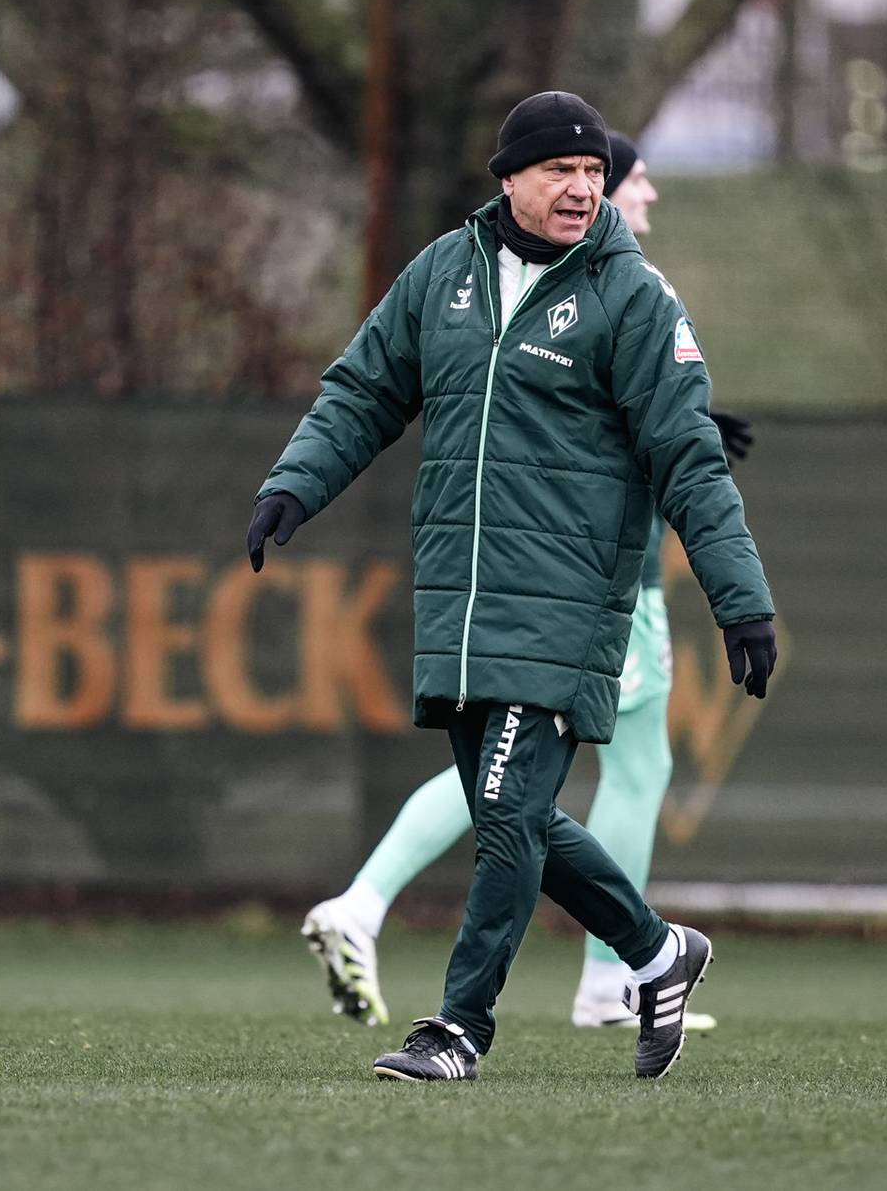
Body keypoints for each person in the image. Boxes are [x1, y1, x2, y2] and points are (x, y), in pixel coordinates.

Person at [248, 92, 777, 1082]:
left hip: (570, 603)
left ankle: (458, 1027)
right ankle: (660, 953)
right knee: (514, 813)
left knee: (502, 808)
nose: (583, 187)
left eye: (592, 173)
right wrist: (293, 484)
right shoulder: (443, 273)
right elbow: (363, 391)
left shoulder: (633, 297)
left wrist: (738, 595)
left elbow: (690, 459)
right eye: (559, 171)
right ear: (510, 178)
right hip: (460, 599)